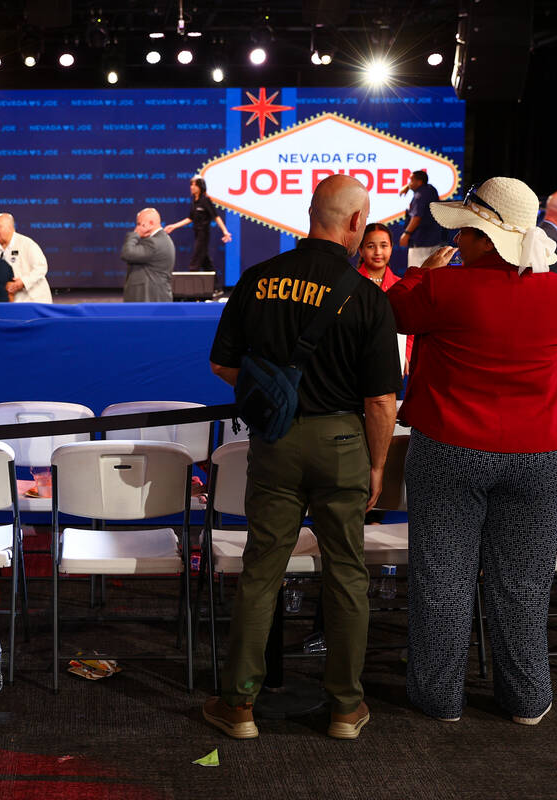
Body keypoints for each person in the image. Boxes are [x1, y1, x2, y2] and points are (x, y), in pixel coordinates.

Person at [386, 177, 557, 726]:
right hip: (538, 453)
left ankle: (439, 698)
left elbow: (393, 312)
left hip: (451, 447)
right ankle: (526, 699)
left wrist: (420, 271)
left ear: (482, 237)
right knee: (524, 582)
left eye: (465, 230)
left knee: (443, 578)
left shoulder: (442, 288)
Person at [203, 174, 401, 741]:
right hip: (342, 445)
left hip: (276, 442)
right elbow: (381, 400)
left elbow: (222, 364)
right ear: (358, 224)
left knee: (262, 572)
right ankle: (345, 709)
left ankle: (238, 706)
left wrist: (272, 390)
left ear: (308, 213)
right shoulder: (366, 295)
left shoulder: (257, 279)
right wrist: (378, 465)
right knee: (346, 574)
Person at [357, 222, 413, 373]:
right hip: (356, 363)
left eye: (383, 245)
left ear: (391, 248)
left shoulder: (402, 285)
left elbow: (411, 328)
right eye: (370, 246)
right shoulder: (350, 284)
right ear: (360, 250)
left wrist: (406, 354)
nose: (378, 252)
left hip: (392, 364)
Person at [163, 177, 232, 279]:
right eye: (191, 185)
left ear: (200, 187)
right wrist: (174, 226)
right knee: (206, 262)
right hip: (197, 234)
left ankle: (191, 289)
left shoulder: (205, 200)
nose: (192, 187)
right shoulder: (194, 201)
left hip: (203, 235)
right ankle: (216, 287)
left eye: (195, 185)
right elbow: (190, 218)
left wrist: (225, 231)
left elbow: (215, 216)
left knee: (195, 263)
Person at [0, 212, 52, 303]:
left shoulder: (26, 243)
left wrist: (23, 282)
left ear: (9, 227)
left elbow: (41, 267)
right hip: (12, 301)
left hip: (34, 300)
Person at [121, 207, 176, 302]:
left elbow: (127, 253)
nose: (137, 227)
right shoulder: (161, 239)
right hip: (153, 296)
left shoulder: (154, 242)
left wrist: (135, 234)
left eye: (139, 224)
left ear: (151, 223)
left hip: (149, 298)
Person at [398, 170, 450, 267]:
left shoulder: (419, 195)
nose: (409, 183)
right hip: (434, 240)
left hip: (420, 242)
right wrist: (408, 187)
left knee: (416, 274)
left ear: (419, 182)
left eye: (411, 181)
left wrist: (406, 234)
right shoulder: (431, 189)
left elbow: (417, 217)